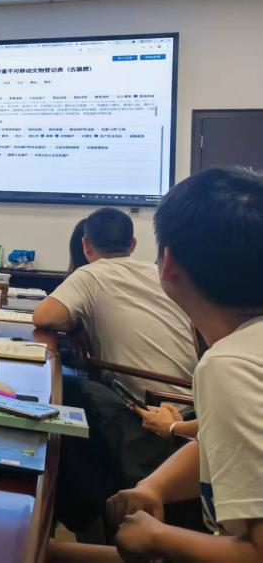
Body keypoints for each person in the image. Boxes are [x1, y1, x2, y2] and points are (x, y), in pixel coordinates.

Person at [50, 166, 263, 562]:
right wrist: (155, 487)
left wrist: (158, 537)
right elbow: (224, 443)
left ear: (167, 265)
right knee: (43, 552)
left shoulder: (230, 365)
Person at [34, 207, 197, 398]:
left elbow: (42, 317)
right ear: (133, 244)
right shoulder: (157, 272)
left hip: (148, 405)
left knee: (54, 382)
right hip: (193, 400)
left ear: (85, 245)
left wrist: (74, 327)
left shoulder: (90, 274)